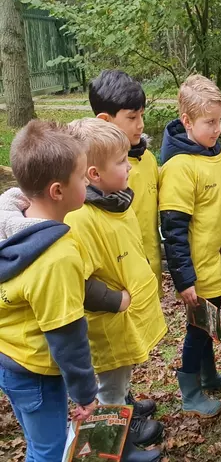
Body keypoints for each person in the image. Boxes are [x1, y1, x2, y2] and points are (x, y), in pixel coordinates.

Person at [65, 118, 166, 461]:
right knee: (106, 389)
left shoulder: (115, 201)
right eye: (122, 162)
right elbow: (76, 280)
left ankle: (123, 422)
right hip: (107, 324)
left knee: (119, 381)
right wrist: (116, 300)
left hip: (123, 322)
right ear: (93, 174)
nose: (129, 167)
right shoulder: (81, 218)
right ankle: (108, 453)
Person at [0, 121, 97, 461]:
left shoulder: (12, 225)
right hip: (36, 372)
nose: (88, 181)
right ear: (58, 191)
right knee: (48, 450)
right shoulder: (56, 256)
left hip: (9, 360)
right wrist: (86, 394)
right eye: (83, 176)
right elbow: (66, 335)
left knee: (37, 440)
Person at [159, 74, 221, 418]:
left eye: (220, 120)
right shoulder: (179, 168)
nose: (217, 129)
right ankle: (189, 389)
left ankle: (208, 374)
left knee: (210, 325)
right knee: (197, 331)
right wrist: (184, 280)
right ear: (187, 122)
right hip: (198, 273)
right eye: (209, 122)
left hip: (217, 266)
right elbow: (174, 231)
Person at [89, 69, 162, 419]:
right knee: (110, 375)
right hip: (110, 299)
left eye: (142, 115)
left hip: (136, 274)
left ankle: (125, 406)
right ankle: (112, 436)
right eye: (132, 117)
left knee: (124, 359)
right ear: (105, 120)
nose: (140, 125)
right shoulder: (90, 189)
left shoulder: (141, 160)